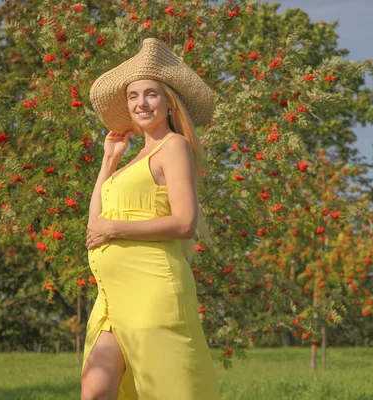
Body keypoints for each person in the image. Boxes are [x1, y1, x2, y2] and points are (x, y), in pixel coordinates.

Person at [81, 37, 221, 400]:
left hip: (152, 291)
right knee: (95, 391)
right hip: (112, 297)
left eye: (150, 94)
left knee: (167, 392)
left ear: (169, 102)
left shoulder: (173, 146)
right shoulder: (129, 161)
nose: (140, 103)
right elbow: (96, 223)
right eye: (133, 96)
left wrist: (115, 228)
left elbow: (184, 223)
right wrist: (108, 161)